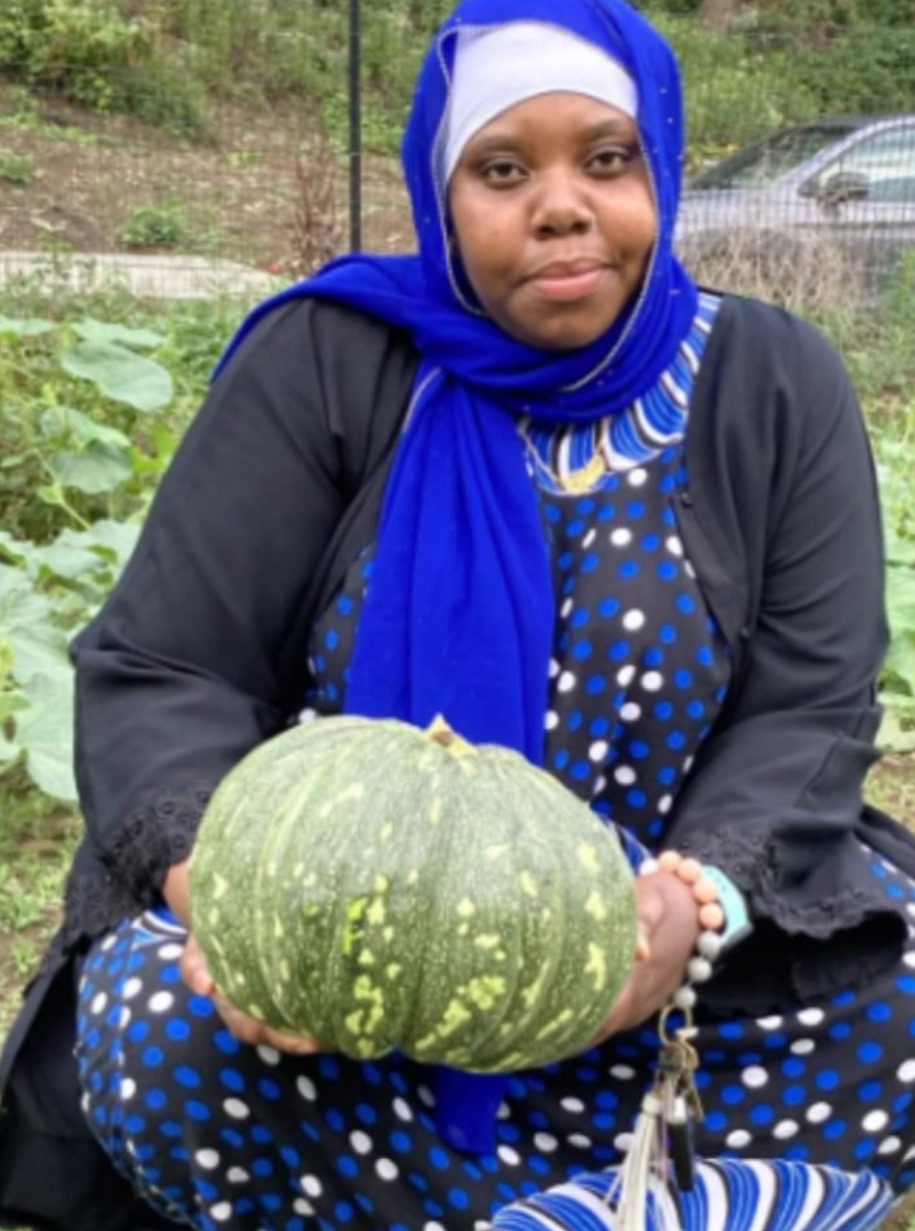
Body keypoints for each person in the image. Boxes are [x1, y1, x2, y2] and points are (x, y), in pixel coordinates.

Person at [2, 0, 915, 1228]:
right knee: (163, 1026)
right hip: (348, 979)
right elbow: (169, 662)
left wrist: (690, 909)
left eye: (606, 159)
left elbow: (810, 699)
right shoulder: (332, 357)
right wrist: (226, 886)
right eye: (501, 170)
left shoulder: (775, 380)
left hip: (660, 963)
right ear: (442, 198)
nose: (560, 206)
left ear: (662, 164)